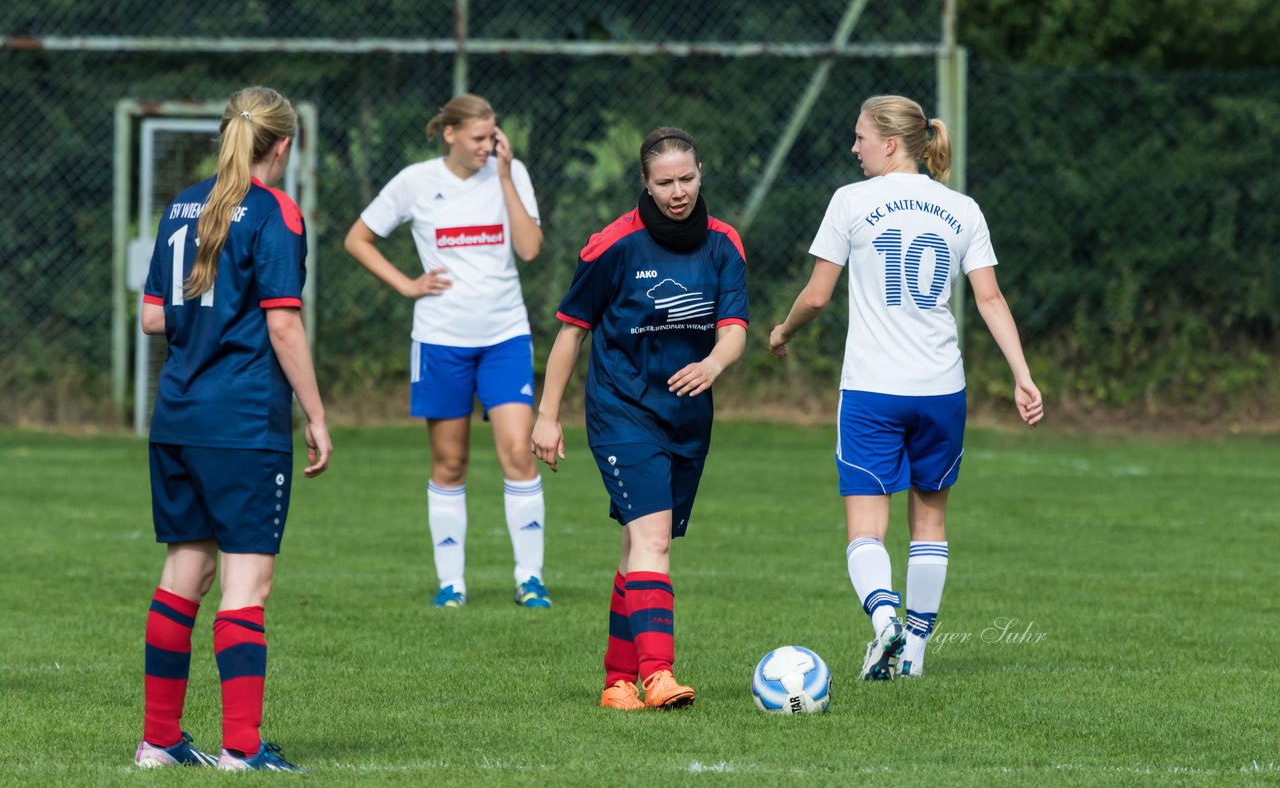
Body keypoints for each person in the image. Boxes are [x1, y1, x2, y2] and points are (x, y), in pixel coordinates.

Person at [769, 95, 1043, 681]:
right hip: (942, 389)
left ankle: (884, 621)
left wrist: (783, 329)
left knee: (867, 524)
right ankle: (913, 655)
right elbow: (990, 299)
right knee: (931, 522)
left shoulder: (850, 201)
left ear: (890, 144)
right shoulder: (962, 208)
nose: (854, 147)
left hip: (873, 389)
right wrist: (1023, 375)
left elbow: (816, 296)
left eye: (861, 136)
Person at [135, 86, 331, 771]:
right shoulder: (278, 214)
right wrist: (316, 413)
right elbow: (282, 322)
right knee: (248, 585)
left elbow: (153, 317)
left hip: (178, 415)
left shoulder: (183, 203)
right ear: (284, 145)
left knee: (184, 570)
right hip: (243, 421)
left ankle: (158, 742)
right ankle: (241, 751)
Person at [532, 127, 748, 710]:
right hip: (621, 411)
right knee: (653, 538)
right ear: (645, 185)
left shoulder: (724, 244)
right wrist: (547, 416)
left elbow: (733, 331)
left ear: (701, 173)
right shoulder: (613, 246)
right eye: (664, 182)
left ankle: (616, 680)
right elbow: (571, 333)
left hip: (688, 416)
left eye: (687, 179)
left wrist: (712, 365)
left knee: (638, 545)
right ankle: (658, 674)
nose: (677, 192)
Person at [345, 94, 550, 610]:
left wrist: (504, 177)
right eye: (479, 138)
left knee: (518, 453)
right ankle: (451, 584)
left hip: (506, 336)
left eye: (493, 136)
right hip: (440, 342)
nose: (489, 145)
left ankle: (530, 579)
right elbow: (358, 239)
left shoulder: (511, 173)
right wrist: (407, 285)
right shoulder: (416, 182)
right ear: (450, 134)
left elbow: (529, 248)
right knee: (450, 461)